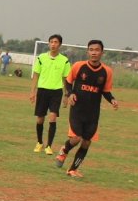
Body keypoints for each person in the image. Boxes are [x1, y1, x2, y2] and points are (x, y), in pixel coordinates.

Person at [55, 40, 120, 178]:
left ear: (102, 52)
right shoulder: (78, 66)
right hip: (77, 109)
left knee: (86, 142)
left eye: (97, 50)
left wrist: (112, 100)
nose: (94, 52)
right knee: (76, 138)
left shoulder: (107, 71)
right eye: (91, 50)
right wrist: (70, 94)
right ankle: (64, 150)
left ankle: (72, 170)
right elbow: (68, 82)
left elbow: (105, 91)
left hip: (93, 113)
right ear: (87, 52)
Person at [29, 34, 71, 155]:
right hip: (42, 90)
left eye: (56, 42)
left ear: (60, 45)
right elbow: (36, 75)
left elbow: (66, 79)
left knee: (52, 117)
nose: (53, 44)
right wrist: (33, 92)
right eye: (51, 42)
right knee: (40, 118)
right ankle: (39, 142)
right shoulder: (41, 58)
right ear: (48, 44)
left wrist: (66, 95)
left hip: (56, 92)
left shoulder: (64, 60)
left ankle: (49, 146)